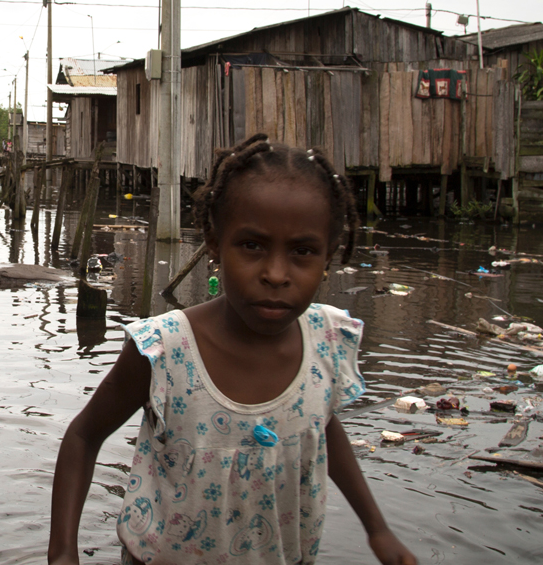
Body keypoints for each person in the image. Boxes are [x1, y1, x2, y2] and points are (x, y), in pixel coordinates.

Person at [48, 134, 416, 565]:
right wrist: (63, 553)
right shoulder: (165, 350)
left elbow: (320, 425)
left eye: (302, 251)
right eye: (252, 246)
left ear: (328, 256)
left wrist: (378, 529)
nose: (276, 274)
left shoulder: (326, 342)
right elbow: (84, 435)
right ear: (214, 242)